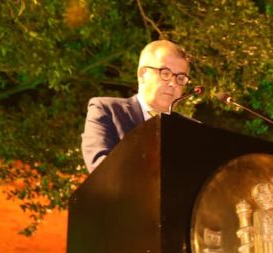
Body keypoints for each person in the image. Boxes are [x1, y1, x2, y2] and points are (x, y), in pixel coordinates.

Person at [81, 39, 191, 172]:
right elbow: (100, 167)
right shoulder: (106, 110)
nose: (173, 83)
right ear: (143, 74)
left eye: (180, 78)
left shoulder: (192, 130)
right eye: (165, 73)